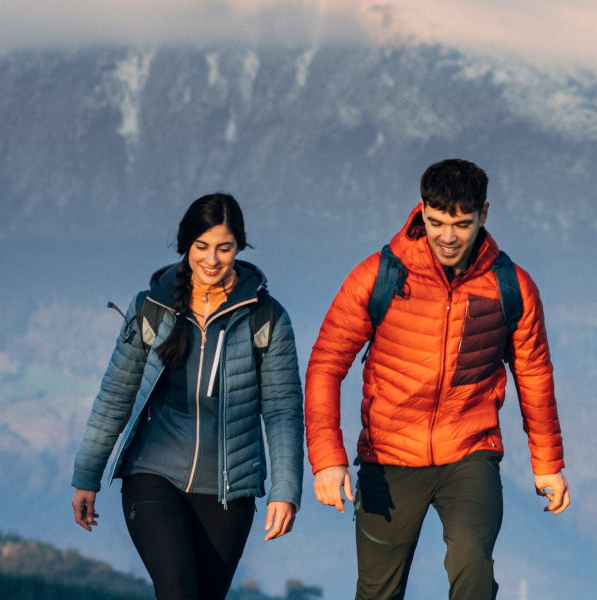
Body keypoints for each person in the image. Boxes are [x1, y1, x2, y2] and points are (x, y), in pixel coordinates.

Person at [305, 159, 569, 600]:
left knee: (473, 569)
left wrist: (548, 464)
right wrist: (327, 458)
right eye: (437, 222)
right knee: (378, 592)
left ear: (484, 215)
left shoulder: (512, 287)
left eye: (462, 224)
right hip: (388, 457)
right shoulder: (378, 276)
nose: (448, 237)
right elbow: (326, 364)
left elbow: (535, 377)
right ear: (421, 209)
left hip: (469, 452)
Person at [71, 193, 304, 600]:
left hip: (230, 487)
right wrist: (87, 476)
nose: (212, 259)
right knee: (177, 587)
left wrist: (285, 490)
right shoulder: (151, 309)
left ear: (239, 248)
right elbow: (115, 396)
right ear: (186, 246)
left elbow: (283, 409)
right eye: (202, 247)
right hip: (152, 473)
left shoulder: (265, 316)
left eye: (224, 248)